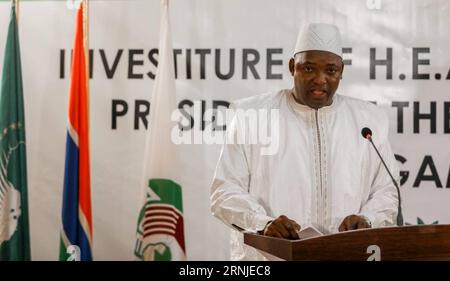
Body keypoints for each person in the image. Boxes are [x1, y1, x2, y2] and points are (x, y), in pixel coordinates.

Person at [210, 23, 399, 260]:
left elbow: (387, 190)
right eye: (309, 68)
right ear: (292, 67)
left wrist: (369, 219)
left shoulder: (368, 120)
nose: (320, 80)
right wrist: (263, 223)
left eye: (331, 71)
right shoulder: (252, 115)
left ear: (341, 72)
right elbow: (224, 191)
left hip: (344, 256)